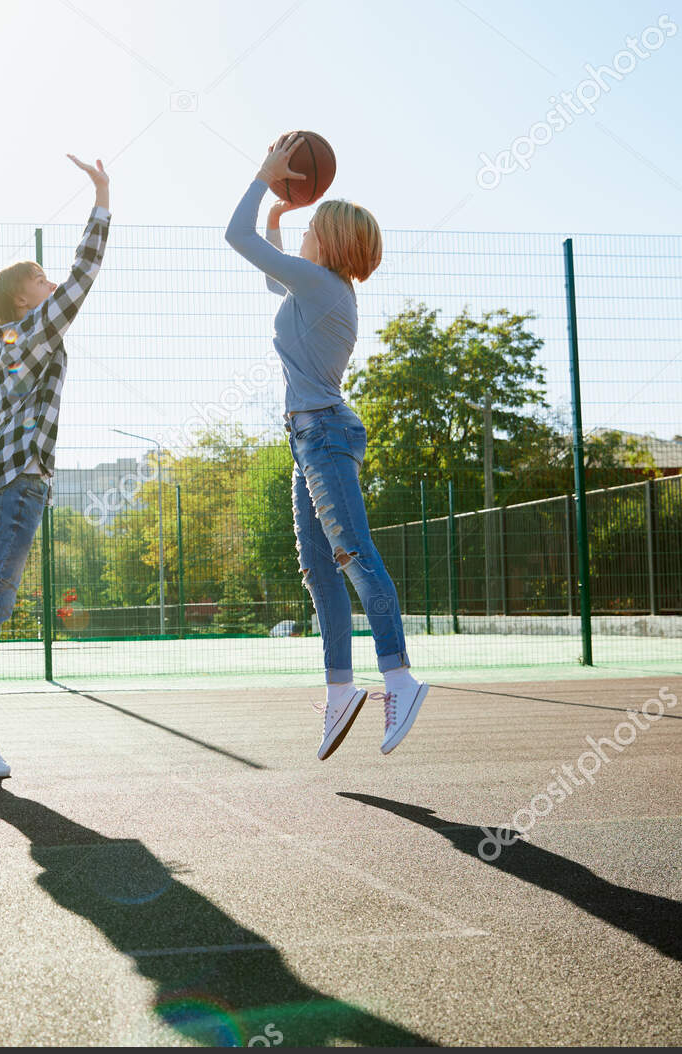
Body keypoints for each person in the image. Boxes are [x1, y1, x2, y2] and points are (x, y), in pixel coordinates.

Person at [224, 133, 428, 758]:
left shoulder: (319, 287)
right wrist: (279, 217)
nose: (304, 230)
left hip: (324, 434)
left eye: (311, 224)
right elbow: (268, 276)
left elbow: (236, 238)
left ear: (330, 242)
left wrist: (263, 179)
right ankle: (341, 690)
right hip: (310, 435)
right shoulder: (320, 290)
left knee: (352, 554)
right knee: (320, 567)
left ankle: (399, 676)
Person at [0, 155, 111, 777]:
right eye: (40, 277)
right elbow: (84, 275)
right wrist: (102, 197)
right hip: (21, 480)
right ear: (21, 298)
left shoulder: (1, 347)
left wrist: (4, 390)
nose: (50, 281)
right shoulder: (34, 330)